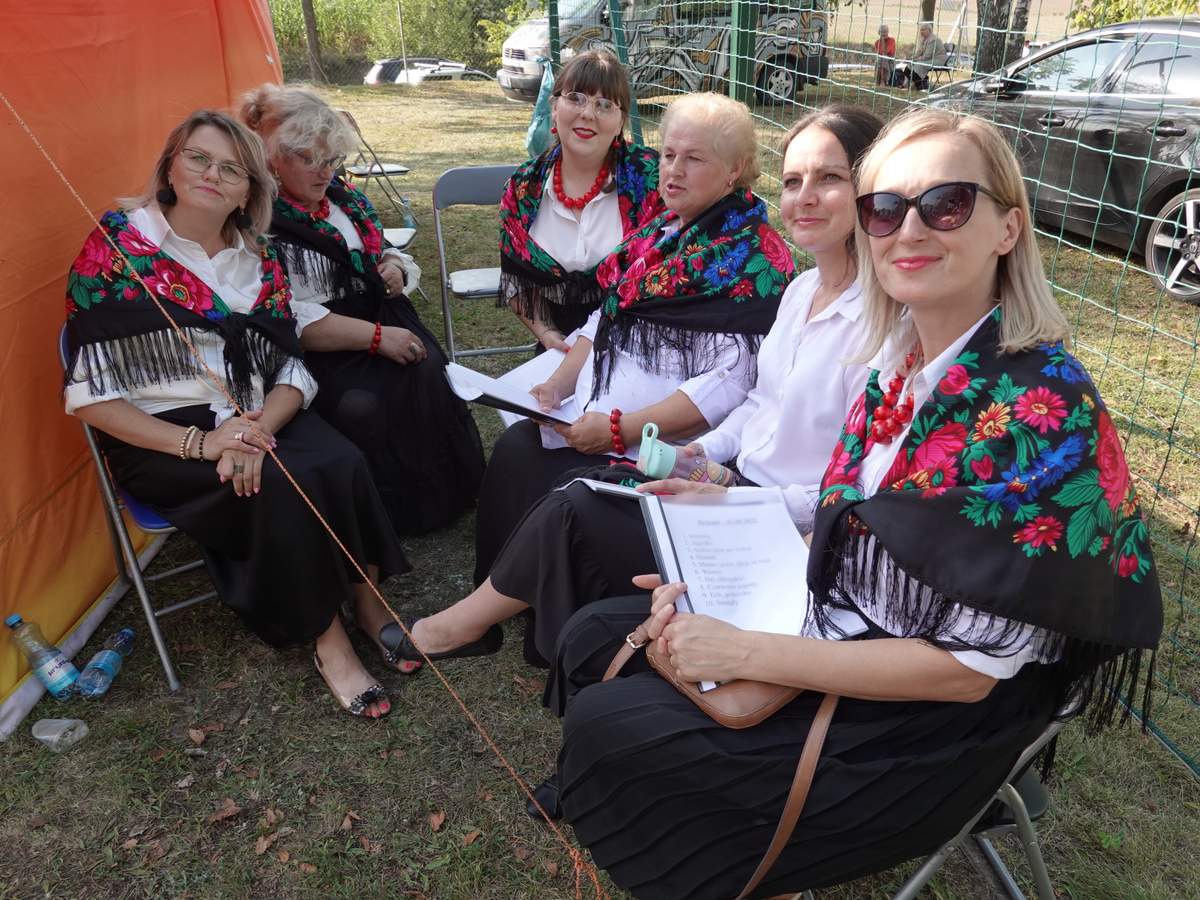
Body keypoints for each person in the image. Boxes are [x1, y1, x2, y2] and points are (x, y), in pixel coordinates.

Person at [542, 108, 1163, 898]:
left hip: (930, 728)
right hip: (861, 628)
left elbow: (964, 675)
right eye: (885, 208)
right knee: (596, 634)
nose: (910, 229)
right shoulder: (902, 361)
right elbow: (861, 521)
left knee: (612, 726)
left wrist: (744, 651)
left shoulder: (1037, 409)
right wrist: (724, 555)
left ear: (1008, 228)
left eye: (947, 203)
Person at [386, 105, 880, 693]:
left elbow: (746, 395)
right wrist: (700, 456)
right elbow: (758, 403)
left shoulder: (823, 300)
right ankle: (511, 606)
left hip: (768, 518)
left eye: (830, 178)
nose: (805, 197)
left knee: (576, 501)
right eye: (794, 180)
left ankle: (462, 627)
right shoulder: (797, 289)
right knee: (535, 458)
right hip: (718, 474)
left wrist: (667, 451)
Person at [63, 111, 411, 718]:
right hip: (163, 434)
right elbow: (92, 400)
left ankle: (367, 598)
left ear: (250, 190)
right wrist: (205, 444)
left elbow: (292, 368)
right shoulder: (116, 251)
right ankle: (327, 638)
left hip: (255, 412)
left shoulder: (259, 257)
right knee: (279, 486)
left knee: (341, 459)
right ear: (171, 166)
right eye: (198, 158)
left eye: (231, 169)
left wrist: (256, 430)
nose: (211, 175)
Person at [241, 84, 485, 539]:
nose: (325, 172)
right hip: (319, 346)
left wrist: (393, 265)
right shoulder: (257, 219)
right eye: (311, 160)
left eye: (332, 159)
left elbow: (381, 249)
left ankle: (441, 498)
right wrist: (375, 338)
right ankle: (382, 515)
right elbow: (282, 314)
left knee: (427, 371)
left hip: (382, 315)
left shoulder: (344, 199)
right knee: (363, 404)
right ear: (273, 157)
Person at [500, 48, 663, 352]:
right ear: (554, 108)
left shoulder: (653, 179)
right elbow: (517, 279)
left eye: (604, 104)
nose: (587, 113)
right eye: (575, 98)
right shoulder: (524, 188)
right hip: (559, 348)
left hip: (640, 345)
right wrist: (547, 334)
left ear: (621, 121)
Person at [894, 21, 947, 90]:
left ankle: (917, 84)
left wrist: (915, 60)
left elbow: (927, 56)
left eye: (923, 30)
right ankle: (905, 84)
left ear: (929, 30)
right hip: (928, 59)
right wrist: (910, 58)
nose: (921, 32)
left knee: (919, 65)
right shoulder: (922, 39)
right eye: (921, 30)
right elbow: (918, 53)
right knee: (909, 64)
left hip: (938, 60)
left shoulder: (933, 40)